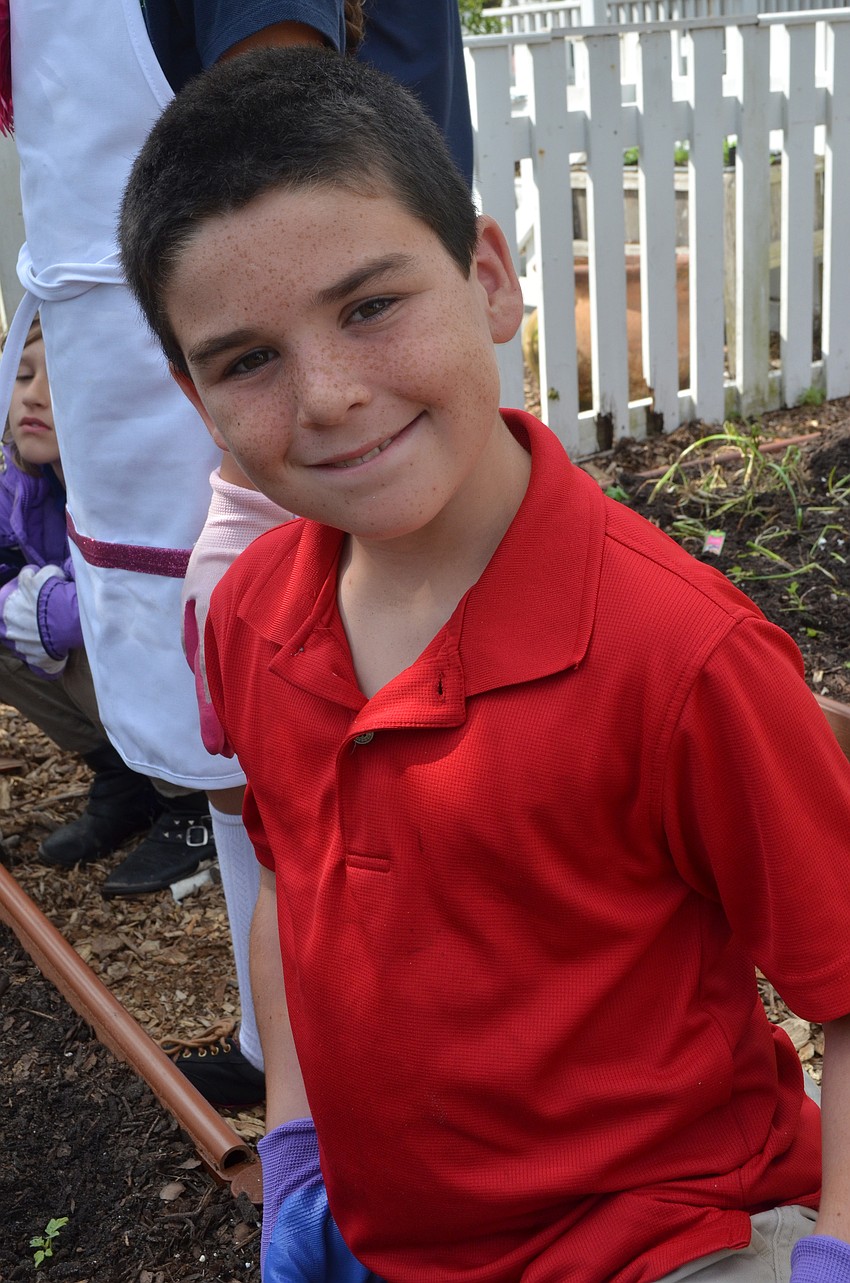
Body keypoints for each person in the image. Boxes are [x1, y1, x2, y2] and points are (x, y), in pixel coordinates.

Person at [119, 48, 850, 1283]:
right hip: (390, 1237)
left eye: (368, 306)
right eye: (247, 360)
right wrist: (294, 1144)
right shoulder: (249, 617)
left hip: (666, 1240)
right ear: (197, 402)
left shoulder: (682, 655)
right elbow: (288, 887)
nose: (329, 396)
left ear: (491, 279)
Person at [0, 0, 472, 1106]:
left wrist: (242, 479)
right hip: (166, 379)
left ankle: (408, 1053)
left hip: (257, 385)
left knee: (354, 732)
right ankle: (290, 1051)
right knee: (242, 756)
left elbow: (287, 162)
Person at [0, 319, 162, 862]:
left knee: (92, 635)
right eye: (22, 375)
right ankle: (124, 776)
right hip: (112, 674)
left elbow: (121, 592)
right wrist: (20, 603)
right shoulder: (22, 478)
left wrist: (42, 608)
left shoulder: (134, 477)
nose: (34, 396)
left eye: (61, 378)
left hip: (172, 673)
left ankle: (191, 801)